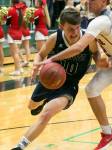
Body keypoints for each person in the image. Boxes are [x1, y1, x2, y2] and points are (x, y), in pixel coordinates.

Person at [37, 0, 112, 149]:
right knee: (91, 89)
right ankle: (108, 134)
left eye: (92, 0)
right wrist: (101, 58)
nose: (88, 1)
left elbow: (78, 47)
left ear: (104, 1)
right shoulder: (105, 17)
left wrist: (51, 59)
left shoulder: (101, 20)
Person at [11, 7, 99, 150]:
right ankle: (41, 102)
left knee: (47, 112)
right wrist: (36, 65)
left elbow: (96, 54)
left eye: (77, 28)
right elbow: (40, 54)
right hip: (48, 80)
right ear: (61, 26)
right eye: (71, 29)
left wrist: (101, 65)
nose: (75, 32)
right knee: (31, 107)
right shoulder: (55, 38)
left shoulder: (88, 39)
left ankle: (20, 146)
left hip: (69, 85)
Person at [6, 0, 23, 76]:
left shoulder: (11, 10)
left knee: (14, 53)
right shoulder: (20, 10)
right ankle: (20, 68)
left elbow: (8, 23)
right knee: (17, 52)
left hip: (12, 33)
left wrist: (4, 18)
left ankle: (17, 70)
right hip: (19, 33)